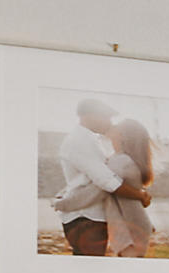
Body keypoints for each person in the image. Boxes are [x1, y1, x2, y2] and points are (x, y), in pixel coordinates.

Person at [48, 98, 148, 257]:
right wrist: (140, 196)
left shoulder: (87, 139)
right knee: (89, 269)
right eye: (105, 117)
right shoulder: (81, 140)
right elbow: (107, 182)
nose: (109, 122)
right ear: (89, 116)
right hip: (85, 217)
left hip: (87, 217)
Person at [100, 107, 156, 256]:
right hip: (134, 225)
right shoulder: (118, 158)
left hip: (130, 229)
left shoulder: (122, 161)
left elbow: (100, 187)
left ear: (123, 136)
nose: (112, 127)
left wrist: (67, 202)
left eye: (117, 127)